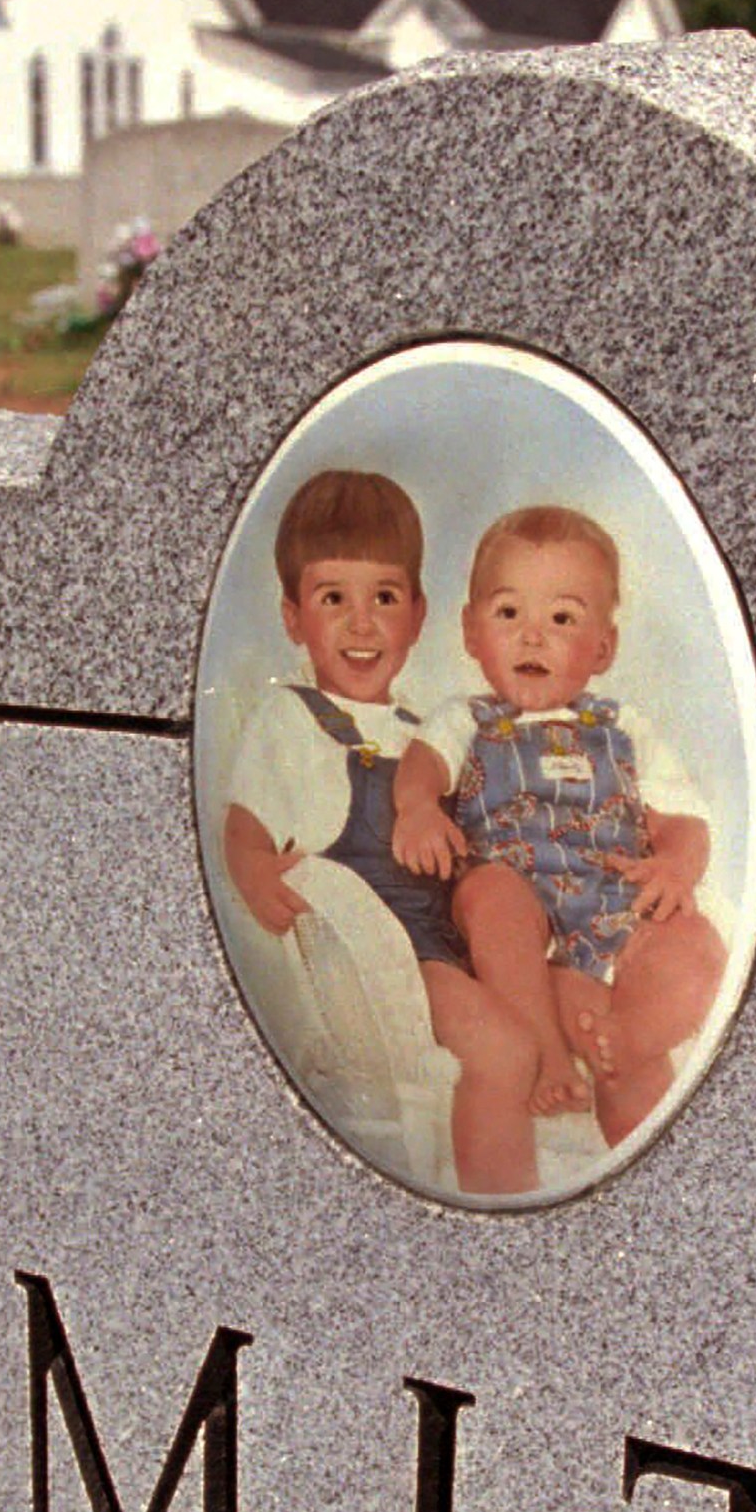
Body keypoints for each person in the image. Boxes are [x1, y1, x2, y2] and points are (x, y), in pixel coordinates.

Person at [223, 470, 541, 1196]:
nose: (362, 624)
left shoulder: (418, 732)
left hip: (449, 940)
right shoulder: (293, 721)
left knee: (557, 1001)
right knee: (505, 1053)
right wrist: (254, 870)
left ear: (419, 614)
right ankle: (497, 1209)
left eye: (385, 598)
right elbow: (246, 822)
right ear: (293, 615)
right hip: (387, 964)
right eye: (334, 598)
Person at [392, 505, 726, 1147]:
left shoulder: (624, 727)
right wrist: (416, 808)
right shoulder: (466, 719)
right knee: (489, 895)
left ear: (604, 646)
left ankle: (634, 1039)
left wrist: (676, 866)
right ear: (470, 631)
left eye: (562, 618)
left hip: (618, 912)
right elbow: (422, 767)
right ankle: (547, 1051)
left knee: (698, 946)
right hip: (530, 939)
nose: (532, 637)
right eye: (509, 613)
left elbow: (683, 819)